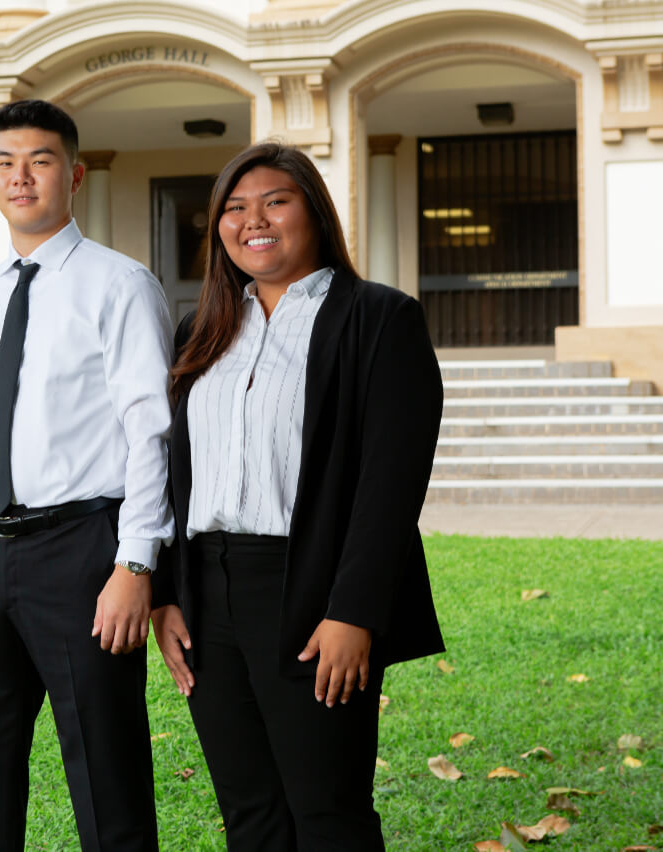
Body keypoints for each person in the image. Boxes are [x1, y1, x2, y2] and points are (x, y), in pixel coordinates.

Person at [150, 141, 445, 851]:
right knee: (250, 812)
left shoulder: (379, 319)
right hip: (207, 595)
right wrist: (166, 592)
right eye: (234, 208)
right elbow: (170, 471)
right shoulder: (202, 330)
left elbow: (390, 484)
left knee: (327, 811)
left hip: (311, 589)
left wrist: (354, 612)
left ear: (313, 211)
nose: (253, 220)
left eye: (275, 201)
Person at [0, 99, 174, 852]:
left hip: (79, 554)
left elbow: (152, 432)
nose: (20, 176)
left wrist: (135, 565)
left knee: (107, 771)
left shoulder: (120, 285)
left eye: (38, 161)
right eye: (4, 162)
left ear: (73, 175)